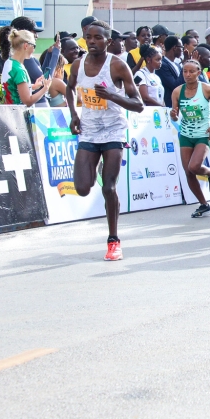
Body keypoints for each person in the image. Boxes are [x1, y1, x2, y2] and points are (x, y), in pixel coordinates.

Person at [65, 21, 144, 261]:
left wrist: (111, 95)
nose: (91, 41)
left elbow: (138, 104)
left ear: (107, 42)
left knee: (108, 187)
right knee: (82, 188)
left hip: (113, 131)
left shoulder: (118, 66)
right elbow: (69, 89)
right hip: (89, 131)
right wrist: (74, 114)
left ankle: (113, 241)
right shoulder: (78, 65)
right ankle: (97, 163)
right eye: (88, 37)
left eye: (97, 38)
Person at [170, 59, 210, 218]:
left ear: (199, 73)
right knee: (188, 172)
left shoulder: (206, 89)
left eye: (191, 71)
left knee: (194, 167)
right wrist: (173, 115)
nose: (187, 75)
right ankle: (203, 204)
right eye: (185, 71)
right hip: (186, 135)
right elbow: (174, 115)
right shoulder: (177, 92)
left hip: (203, 134)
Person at [1, 28, 48, 107]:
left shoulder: (9, 63)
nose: (34, 49)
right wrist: (45, 88)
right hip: (19, 115)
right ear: (26, 45)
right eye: (34, 46)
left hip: (9, 112)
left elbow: (14, 88)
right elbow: (27, 101)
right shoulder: (19, 69)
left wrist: (33, 87)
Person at [158, 35, 184, 107]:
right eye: (181, 47)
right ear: (174, 48)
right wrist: (185, 67)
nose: (182, 50)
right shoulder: (162, 65)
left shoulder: (178, 65)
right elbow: (175, 85)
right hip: (169, 105)